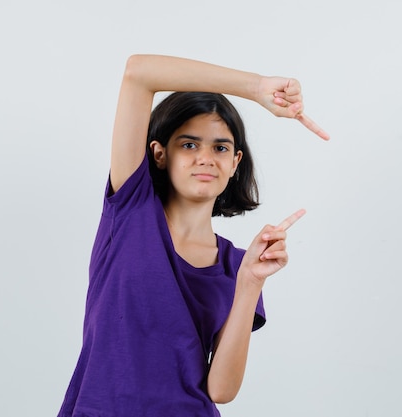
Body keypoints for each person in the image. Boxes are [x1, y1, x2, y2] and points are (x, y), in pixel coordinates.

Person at [57, 54, 329, 417]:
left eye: (220, 147)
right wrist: (256, 87)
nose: (206, 157)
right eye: (188, 144)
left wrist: (250, 282)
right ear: (158, 154)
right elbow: (139, 73)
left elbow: (221, 389)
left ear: (235, 163)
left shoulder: (237, 264)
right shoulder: (131, 210)